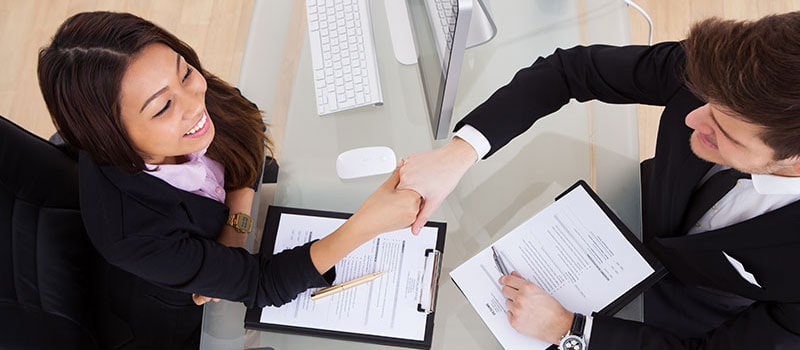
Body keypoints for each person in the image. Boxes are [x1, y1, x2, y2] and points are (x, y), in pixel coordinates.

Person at [398, 12, 800, 349]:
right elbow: (572, 70)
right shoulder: (725, 78)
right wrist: (460, 152)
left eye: (722, 132)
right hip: (633, 206)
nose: (693, 118)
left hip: (681, 314)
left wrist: (571, 330)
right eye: (706, 102)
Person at [37, 11, 421, 349]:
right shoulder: (132, 231)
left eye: (185, 71)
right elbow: (261, 285)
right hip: (191, 325)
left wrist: (234, 229)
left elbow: (244, 117)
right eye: (164, 107)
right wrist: (367, 224)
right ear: (113, 136)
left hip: (229, 250)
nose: (195, 102)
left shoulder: (183, 94)